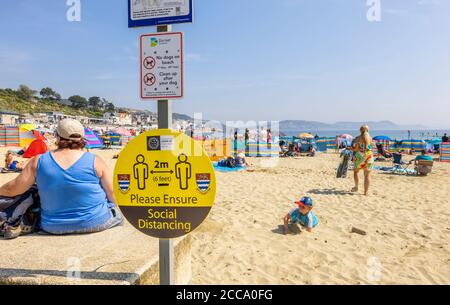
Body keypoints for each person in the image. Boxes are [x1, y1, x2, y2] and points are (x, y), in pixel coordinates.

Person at [0, 119, 123, 235]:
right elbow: (112, 193)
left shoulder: (39, 161)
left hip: (52, 226)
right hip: (95, 222)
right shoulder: (95, 160)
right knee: (113, 209)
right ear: (82, 138)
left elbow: (13, 189)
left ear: (57, 136)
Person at [352, 125, 374, 196]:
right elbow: (370, 148)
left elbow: (356, 149)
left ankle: (356, 187)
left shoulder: (357, 138)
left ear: (360, 130)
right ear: (368, 130)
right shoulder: (370, 138)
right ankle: (366, 192)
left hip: (360, 157)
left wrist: (350, 148)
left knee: (356, 172)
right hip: (369, 156)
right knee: (367, 175)